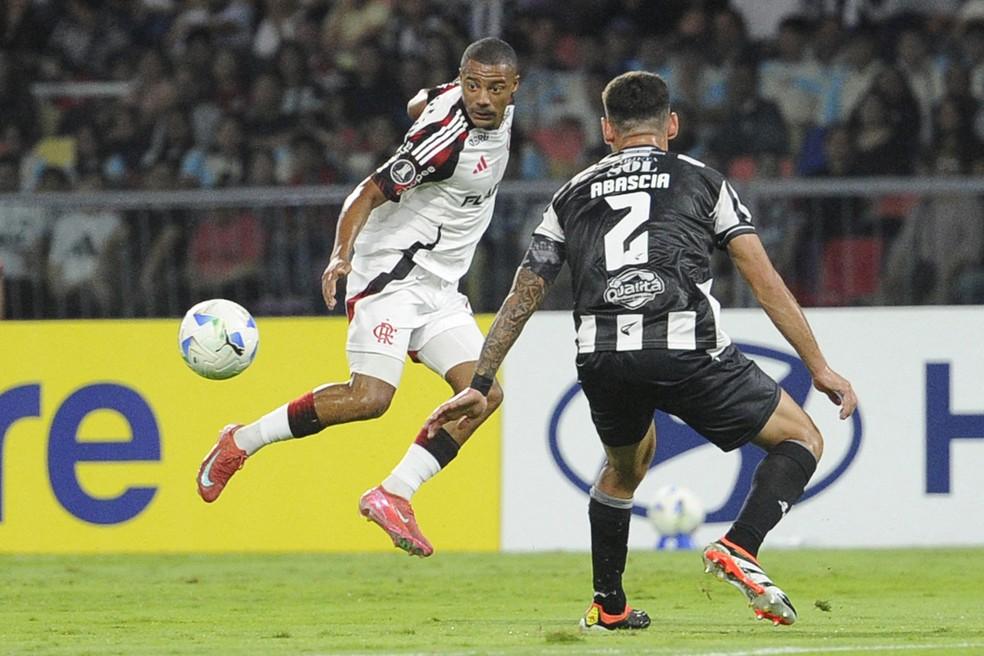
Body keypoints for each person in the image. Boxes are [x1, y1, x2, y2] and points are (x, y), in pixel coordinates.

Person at [423, 71, 857, 631]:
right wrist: (817, 366)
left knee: (624, 469)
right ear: (671, 125)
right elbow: (762, 277)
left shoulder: (570, 193)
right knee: (802, 437)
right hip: (682, 344)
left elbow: (524, 292)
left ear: (607, 130)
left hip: (601, 358)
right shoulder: (703, 181)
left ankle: (608, 605)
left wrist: (480, 380)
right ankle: (740, 547)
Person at [195, 37, 519, 558]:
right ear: (462, 81)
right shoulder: (443, 144)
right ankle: (241, 441)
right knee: (371, 398)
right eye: (473, 86)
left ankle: (394, 493)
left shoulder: (471, 103)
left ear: (512, 90)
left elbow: (418, 99)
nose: (482, 98)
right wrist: (339, 257)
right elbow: (365, 193)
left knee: (484, 395)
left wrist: (424, 105)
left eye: (494, 89)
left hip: (438, 285)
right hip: (390, 271)